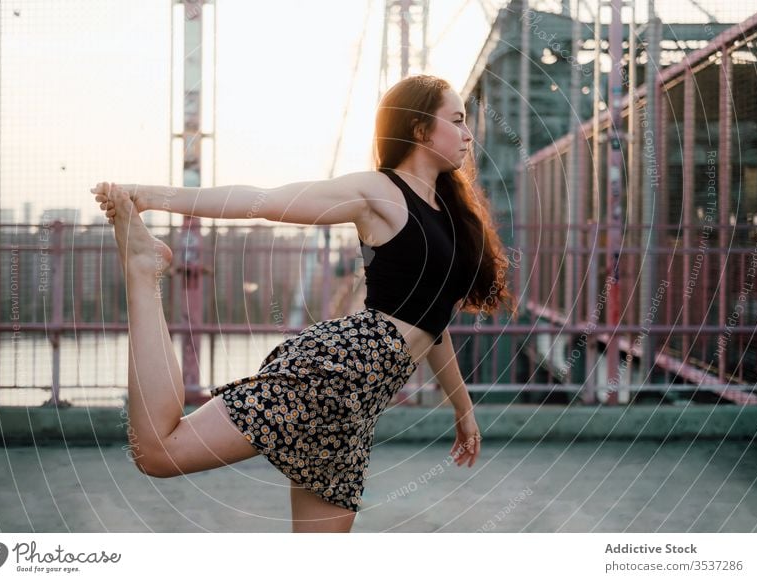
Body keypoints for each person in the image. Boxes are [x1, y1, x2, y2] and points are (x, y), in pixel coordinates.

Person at [91, 74, 516, 533]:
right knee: (158, 451)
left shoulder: (446, 215)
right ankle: (143, 271)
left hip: (357, 408)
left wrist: (462, 408)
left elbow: (433, 324)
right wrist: (152, 197)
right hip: (336, 373)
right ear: (418, 128)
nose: (469, 134)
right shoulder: (380, 192)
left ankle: (144, 268)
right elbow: (264, 201)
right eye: (457, 121)